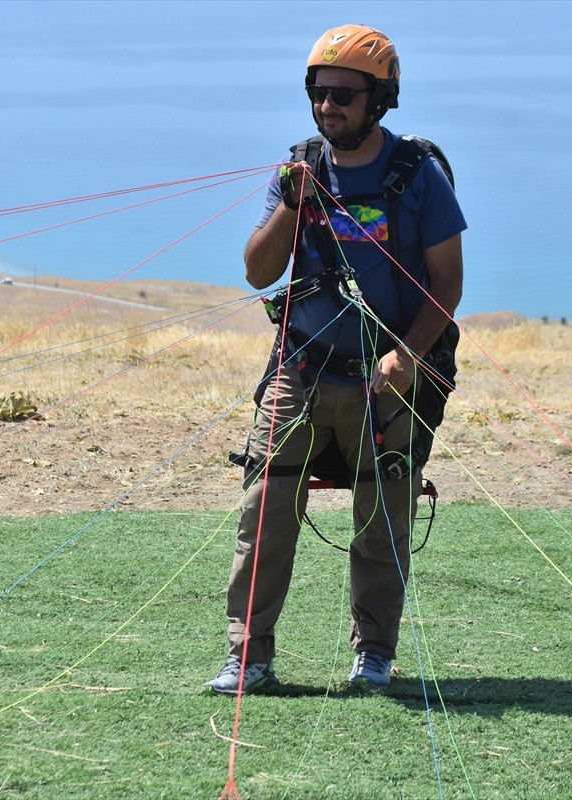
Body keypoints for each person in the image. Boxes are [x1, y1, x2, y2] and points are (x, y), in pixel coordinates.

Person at [205, 24, 466, 694]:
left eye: (344, 94)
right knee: (263, 514)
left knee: (382, 522)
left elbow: (447, 282)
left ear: (380, 99)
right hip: (300, 368)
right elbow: (258, 273)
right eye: (319, 92)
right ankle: (248, 656)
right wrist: (290, 208)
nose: (328, 106)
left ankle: (373, 652)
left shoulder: (417, 175)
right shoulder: (298, 171)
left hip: (387, 382)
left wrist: (409, 352)